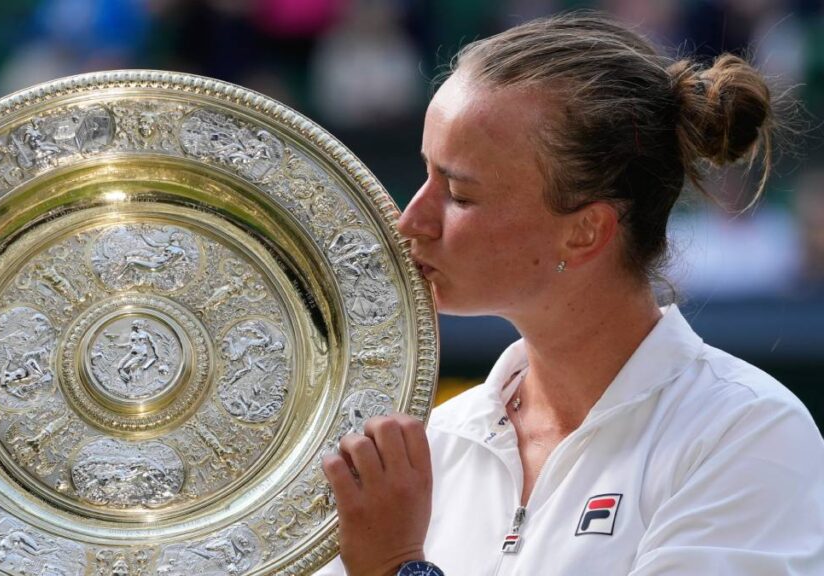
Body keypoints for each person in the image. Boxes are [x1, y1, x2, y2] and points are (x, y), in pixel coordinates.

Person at [316, 12, 824, 576]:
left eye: (458, 193)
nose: (412, 219)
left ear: (585, 231)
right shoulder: (432, 442)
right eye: (426, 174)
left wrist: (396, 566)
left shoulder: (745, 432)